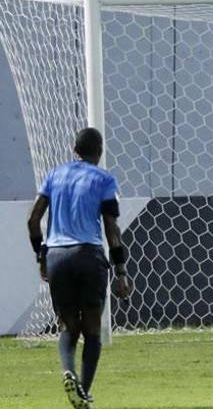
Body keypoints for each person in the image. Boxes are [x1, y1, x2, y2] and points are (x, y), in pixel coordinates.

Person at [25, 127, 131, 409]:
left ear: (75, 150)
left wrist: (41, 256)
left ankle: (68, 372)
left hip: (57, 257)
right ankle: (83, 392)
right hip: (88, 256)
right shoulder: (104, 179)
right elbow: (111, 229)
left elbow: (33, 220)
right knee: (92, 328)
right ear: (100, 152)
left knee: (68, 326)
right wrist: (121, 272)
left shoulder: (54, 175)